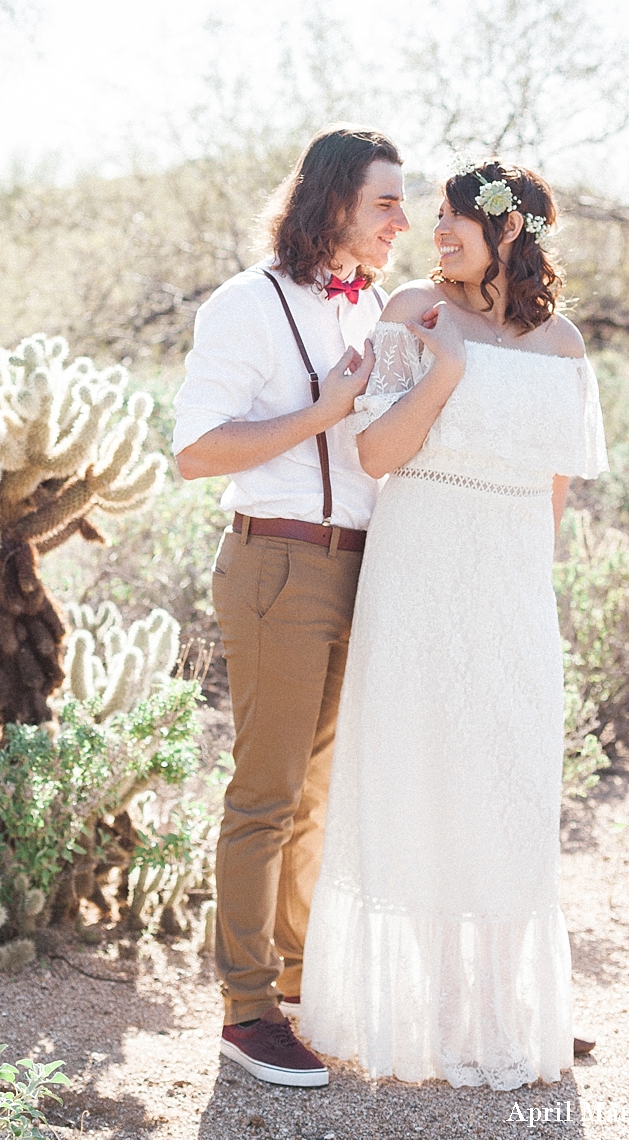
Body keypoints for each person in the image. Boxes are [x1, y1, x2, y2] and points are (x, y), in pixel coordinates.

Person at [300, 160, 608, 1091]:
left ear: (508, 233)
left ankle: (497, 1012)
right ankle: (407, 1013)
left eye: (455, 221)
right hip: (418, 565)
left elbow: (553, 493)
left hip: (506, 588)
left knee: (501, 779)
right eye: (433, 217)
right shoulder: (411, 311)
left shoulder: (562, 345)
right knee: (416, 767)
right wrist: (445, 372)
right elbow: (375, 451)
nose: (437, 233)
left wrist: (520, 601)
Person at [173, 125, 409, 1087]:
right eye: (385, 201)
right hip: (278, 565)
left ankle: (300, 982)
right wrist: (320, 411)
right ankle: (245, 1010)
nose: (403, 218)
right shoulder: (248, 303)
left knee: (317, 795)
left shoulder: (378, 305)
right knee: (265, 794)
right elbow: (195, 452)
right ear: (332, 203)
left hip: (362, 568)